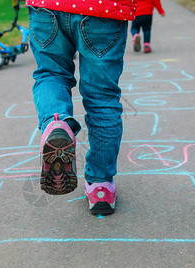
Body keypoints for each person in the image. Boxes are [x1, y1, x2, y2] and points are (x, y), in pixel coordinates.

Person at [26, 0, 137, 215]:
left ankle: (55, 122)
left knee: (52, 74)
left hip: (47, 7)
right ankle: (100, 186)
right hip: (103, 9)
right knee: (102, 97)